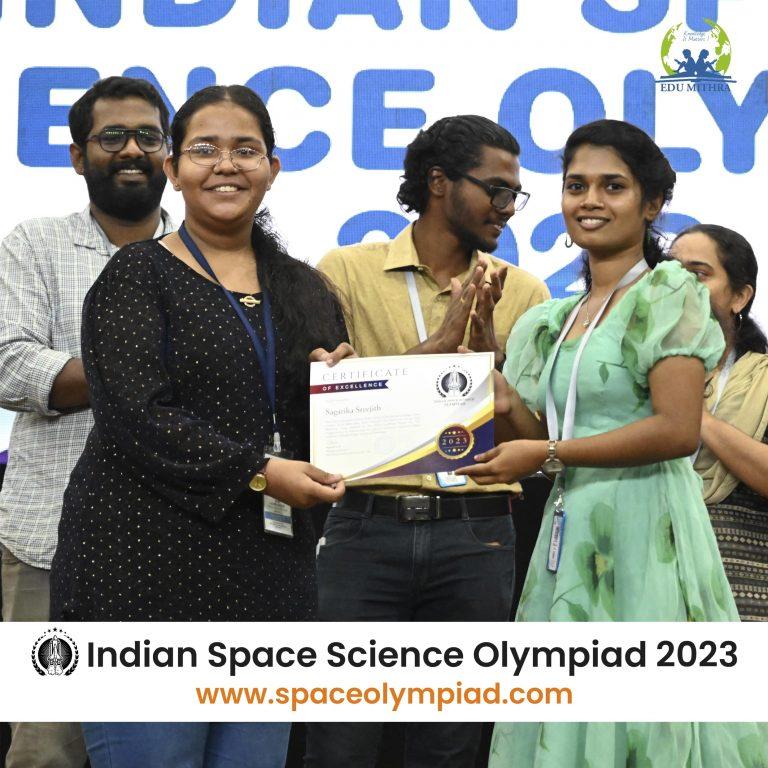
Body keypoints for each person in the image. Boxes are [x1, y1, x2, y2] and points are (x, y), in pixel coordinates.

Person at [50, 84, 347, 767]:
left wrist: (335, 389)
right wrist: (260, 471)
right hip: (141, 580)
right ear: (174, 169)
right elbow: (137, 416)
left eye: (246, 149)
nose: (226, 165)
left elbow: (311, 437)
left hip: (267, 583)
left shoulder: (305, 289)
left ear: (272, 168)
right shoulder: (136, 274)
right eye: (205, 149)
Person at [457, 119, 768, 766]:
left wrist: (546, 455)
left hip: (647, 524)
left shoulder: (670, 292)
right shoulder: (555, 317)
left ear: (652, 204)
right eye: (576, 186)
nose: (590, 200)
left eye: (612, 186)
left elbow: (677, 431)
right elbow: (544, 436)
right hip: (569, 528)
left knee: (644, 719)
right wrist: (504, 400)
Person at [304, 115, 549, 768]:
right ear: (439, 182)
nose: (508, 207)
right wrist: (436, 349)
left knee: (451, 743)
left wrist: (492, 373)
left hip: (478, 532)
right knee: (341, 740)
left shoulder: (524, 291)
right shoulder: (345, 271)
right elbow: (332, 420)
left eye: (515, 194)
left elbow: (535, 443)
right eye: (496, 189)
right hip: (364, 526)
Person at [0, 75, 174, 768]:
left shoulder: (210, 252)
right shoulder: (34, 244)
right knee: (48, 751)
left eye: (148, 136)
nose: (132, 150)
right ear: (79, 156)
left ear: (169, 153)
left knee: (163, 748)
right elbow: (10, 365)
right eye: (113, 137)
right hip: (49, 540)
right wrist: (137, 371)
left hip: (182, 545)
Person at [672, 224, 768, 621]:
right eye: (670, 272)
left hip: (743, 589)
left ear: (740, 296)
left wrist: (691, 416)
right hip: (642, 581)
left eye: (698, 273)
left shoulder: (762, 382)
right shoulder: (625, 374)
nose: (679, 285)